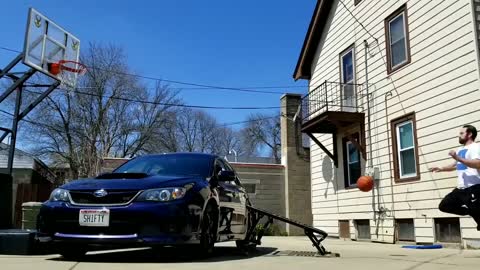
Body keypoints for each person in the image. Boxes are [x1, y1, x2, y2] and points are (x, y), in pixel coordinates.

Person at [430, 125, 480, 230]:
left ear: (470, 134)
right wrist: (441, 168)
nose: (459, 136)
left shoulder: (475, 147)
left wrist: (457, 157)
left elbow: (477, 163)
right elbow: (455, 165)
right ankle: (470, 210)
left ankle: (473, 211)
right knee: (444, 206)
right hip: (461, 189)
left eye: (462, 133)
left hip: (474, 188)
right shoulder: (461, 149)